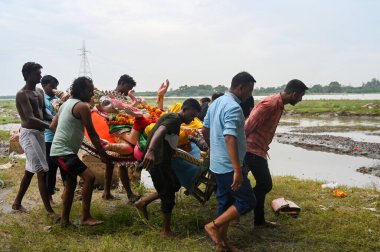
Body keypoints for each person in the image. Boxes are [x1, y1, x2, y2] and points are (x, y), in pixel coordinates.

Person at [202, 72, 256, 251]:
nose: (249, 94)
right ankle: (213, 226)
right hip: (228, 166)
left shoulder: (216, 102)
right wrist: (237, 169)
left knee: (225, 202)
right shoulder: (233, 107)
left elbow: (205, 129)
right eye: (249, 90)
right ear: (240, 88)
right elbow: (230, 137)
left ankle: (221, 244)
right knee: (247, 201)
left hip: (217, 163)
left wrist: (212, 149)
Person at [244, 79, 308, 227]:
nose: (300, 99)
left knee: (262, 184)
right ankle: (240, 205)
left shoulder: (278, 104)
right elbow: (247, 127)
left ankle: (259, 221)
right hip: (251, 149)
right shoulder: (270, 104)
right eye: (301, 96)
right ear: (293, 93)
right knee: (265, 184)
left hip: (259, 149)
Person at [134, 98, 201, 236]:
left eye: (194, 117)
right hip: (157, 161)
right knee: (168, 194)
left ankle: (143, 203)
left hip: (163, 159)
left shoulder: (174, 119)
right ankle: (166, 231)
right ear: (184, 109)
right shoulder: (175, 119)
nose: (192, 119)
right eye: (191, 115)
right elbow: (161, 131)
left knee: (175, 184)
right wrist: (151, 151)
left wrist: (171, 152)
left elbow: (167, 139)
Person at [50, 76, 110, 227]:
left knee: (70, 183)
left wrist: (69, 135)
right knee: (89, 177)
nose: (91, 95)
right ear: (81, 90)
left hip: (58, 150)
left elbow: (52, 126)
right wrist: (103, 155)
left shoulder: (65, 104)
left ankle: (65, 221)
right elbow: (93, 133)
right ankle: (85, 217)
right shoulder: (82, 106)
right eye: (89, 91)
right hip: (64, 152)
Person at [12, 62, 58, 220]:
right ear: (27, 75)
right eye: (37, 73)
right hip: (29, 134)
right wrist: (50, 127)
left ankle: (16, 203)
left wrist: (55, 120)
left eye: (40, 72)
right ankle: (50, 212)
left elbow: (43, 112)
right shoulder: (22, 94)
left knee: (30, 171)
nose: (40, 75)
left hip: (39, 134)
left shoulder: (39, 91)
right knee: (41, 171)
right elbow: (30, 118)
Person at [102, 74, 140, 202]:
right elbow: (105, 109)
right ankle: (129, 194)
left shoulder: (124, 99)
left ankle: (106, 192)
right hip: (114, 132)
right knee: (121, 162)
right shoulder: (107, 97)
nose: (128, 91)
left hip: (123, 130)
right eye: (128, 87)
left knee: (110, 163)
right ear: (122, 83)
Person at [41, 75, 66, 205]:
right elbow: (47, 116)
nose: (55, 89)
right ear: (44, 86)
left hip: (61, 136)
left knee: (64, 165)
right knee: (50, 168)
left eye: (56, 86)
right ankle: (49, 195)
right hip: (49, 137)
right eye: (52, 86)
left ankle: (66, 191)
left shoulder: (57, 99)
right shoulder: (42, 99)